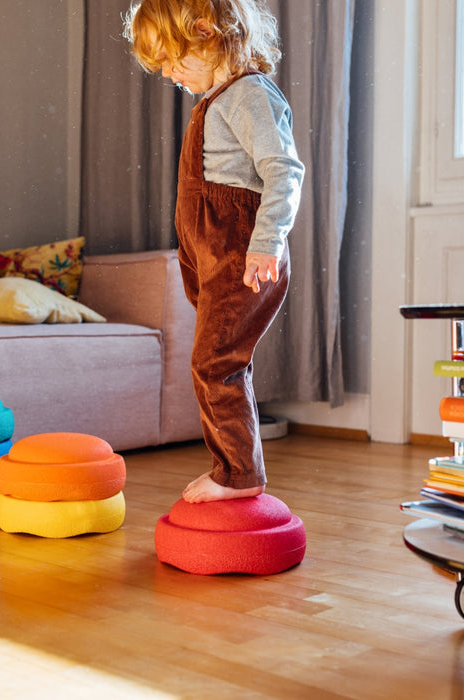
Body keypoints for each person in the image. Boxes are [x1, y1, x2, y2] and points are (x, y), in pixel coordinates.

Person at [123, 0, 304, 503]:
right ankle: (235, 469)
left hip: (241, 255)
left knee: (214, 364)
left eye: (173, 60)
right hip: (212, 257)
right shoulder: (219, 99)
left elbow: (284, 171)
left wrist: (266, 243)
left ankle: (237, 476)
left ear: (205, 31)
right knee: (219, 362)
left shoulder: (249, 94)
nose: (169, 74)